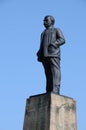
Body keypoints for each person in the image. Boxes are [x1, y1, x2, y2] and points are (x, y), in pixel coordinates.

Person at [37, 15, 65, 94]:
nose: (44, 22)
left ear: (51, 21)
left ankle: (55, 90)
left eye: (46, 20)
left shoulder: (56, 30)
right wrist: (39, 52)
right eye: (44, 21)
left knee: (55, 72)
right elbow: (42, 44)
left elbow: (62, 39)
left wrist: (54, 44)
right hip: (44, 55)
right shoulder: (43, 33)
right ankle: (49, 90)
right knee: (48, 73)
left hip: (53, 54)